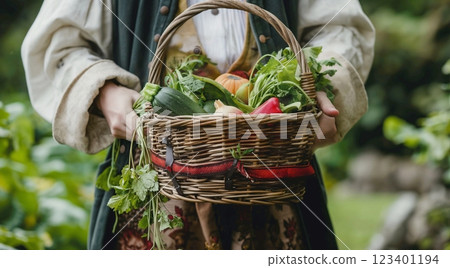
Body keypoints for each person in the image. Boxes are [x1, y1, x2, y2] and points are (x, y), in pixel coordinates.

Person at [22, 0, 375, 250]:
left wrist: (322, 87)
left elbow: (341, 28)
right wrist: (105, 91)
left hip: (273, 175)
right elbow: (60, 43)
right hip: (154, 189)